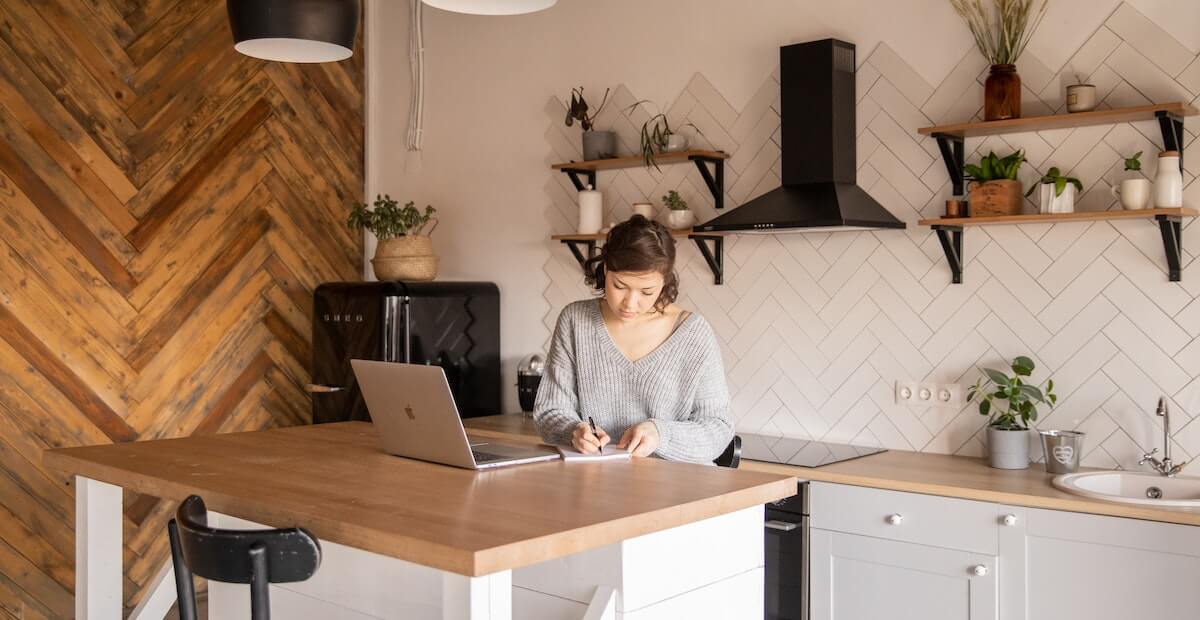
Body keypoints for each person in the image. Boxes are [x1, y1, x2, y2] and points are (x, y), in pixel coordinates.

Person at [533, 214, 734, 464]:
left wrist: (661, 434)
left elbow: (718, 428)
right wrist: (573, 431)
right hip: (595, 484)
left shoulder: (693, 333)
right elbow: (549, 412)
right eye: (619, 286)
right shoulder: (575, 321)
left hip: (678, 488)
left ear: (664, 282)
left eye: (646, 291)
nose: (630, 302)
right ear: (606, 270)